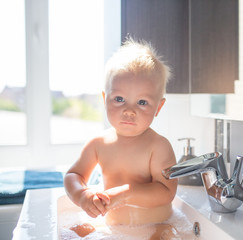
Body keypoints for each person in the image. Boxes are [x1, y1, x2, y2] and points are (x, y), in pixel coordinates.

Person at [64, 38, 178, 228]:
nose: (129, 111)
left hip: (155, 229)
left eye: (142, 102)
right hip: (113, 229)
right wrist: (82, 195)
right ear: (104, 99)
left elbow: (166, 191)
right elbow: (73, 175)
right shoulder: (98, 144)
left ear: (158, 107)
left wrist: (126, 194)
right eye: (119, 99)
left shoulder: (158, 146)